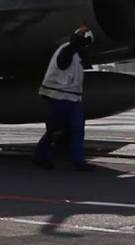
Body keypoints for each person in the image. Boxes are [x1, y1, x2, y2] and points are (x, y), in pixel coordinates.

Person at [33, 26, 97, 172]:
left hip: (73, 99)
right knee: (55, 130)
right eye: (86, 43)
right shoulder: (67, 50)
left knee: (77, 129)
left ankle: (78, 161)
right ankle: (39, 156)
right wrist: (77, 42)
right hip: (59, 97)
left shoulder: (77, 54)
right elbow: (63, 62)